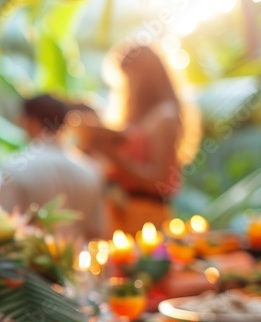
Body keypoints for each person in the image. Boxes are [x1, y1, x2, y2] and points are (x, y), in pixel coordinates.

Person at [82, 45, 201, 232]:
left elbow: (157, 181)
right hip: (117, 211)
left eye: (131, 76)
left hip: (145, 216)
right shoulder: (134, 117)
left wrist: (113, 156)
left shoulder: (165, 116)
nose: (127, 85)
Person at [0, 94, 105, 241]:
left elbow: (2, 224)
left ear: (30, 121)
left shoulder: (16, 166)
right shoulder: (90, 170)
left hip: (28, 261)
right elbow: (97, 230)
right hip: (76, 260)